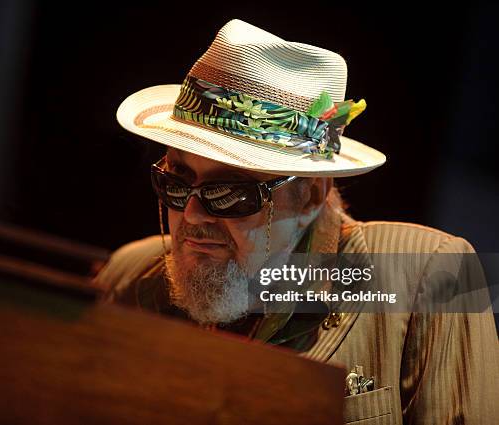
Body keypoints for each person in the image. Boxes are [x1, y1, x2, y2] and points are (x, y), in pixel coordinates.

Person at [94, 19, 499, 424]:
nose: (193, 214)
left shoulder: (430, 276)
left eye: (230, 194)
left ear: (310, 195)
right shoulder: (129, 277)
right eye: (175, 185)